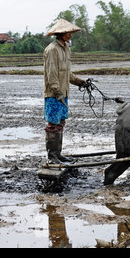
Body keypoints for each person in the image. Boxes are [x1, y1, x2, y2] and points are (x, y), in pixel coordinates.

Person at [43, 19, 86, 164]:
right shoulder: (52, 50)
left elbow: (67, 73)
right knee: (53, 125)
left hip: (64, 93)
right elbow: (52, 74)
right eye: (67, 32)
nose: (70, 34)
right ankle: (52, 157)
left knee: (60, 123)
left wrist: (80, 82)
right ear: (60, 33)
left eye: (70, 32)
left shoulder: (67, 48)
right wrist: (57, 92)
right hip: (54, 95)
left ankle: (58, 155)